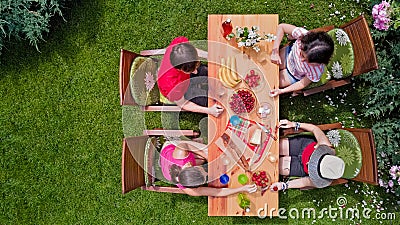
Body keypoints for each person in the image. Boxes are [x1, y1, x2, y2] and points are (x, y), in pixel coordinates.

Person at [159, 140, 257, 196]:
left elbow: (186, 145)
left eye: (203, 170)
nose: (207, 172)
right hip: (168, 168)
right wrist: (242, 189)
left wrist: (207, 157)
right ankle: (201, 158)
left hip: (168, 148)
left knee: (208, 152)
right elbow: (216, 192)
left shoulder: (180, 152)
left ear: (190, 166)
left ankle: (203, 156)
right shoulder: (190, 190)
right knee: (203, 159)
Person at [270, 119, 345, 191]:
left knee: (274, 166)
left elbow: (304, 182)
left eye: (313, 169)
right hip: (303, 146)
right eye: (313, 160)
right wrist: (294, 124)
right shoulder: (325, 144)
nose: (308, 163)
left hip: (302, 168)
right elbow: (314, 129)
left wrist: (284, 185)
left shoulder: (321, 180)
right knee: (275, 148)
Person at [157, 36, 224, 117]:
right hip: (182, 90)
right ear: (181, 70)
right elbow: (183, 104)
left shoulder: (180, 46)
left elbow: (194, 51)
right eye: (192, 70)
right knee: (207, 101)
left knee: (210, 73)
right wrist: (209, 110)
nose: (196, 72)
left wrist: (209, 56)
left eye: (197, 65)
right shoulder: (171, 86)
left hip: (182, 77)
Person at [269, 24, 334, 97]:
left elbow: (302, 83)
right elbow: (282, 27)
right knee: (268, 65)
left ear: (319, 63)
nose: (301, 60)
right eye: (302, 54)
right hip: (288, 55)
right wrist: (275, 52)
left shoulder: (316, 71)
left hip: (294, 74)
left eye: (307, 61)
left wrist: (282, 91)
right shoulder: (302, 35)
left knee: (271, 81)